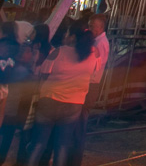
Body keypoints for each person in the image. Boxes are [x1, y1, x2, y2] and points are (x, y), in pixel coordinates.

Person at [20, 23, 100, 166]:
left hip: (49, 100)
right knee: (62, 147)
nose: (65, 36)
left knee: (38, 144)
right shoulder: (93, 55)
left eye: (68, 34)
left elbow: (43, 74)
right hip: (73, 105)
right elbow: (95, 74)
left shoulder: (60, 51)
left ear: (73, 37)